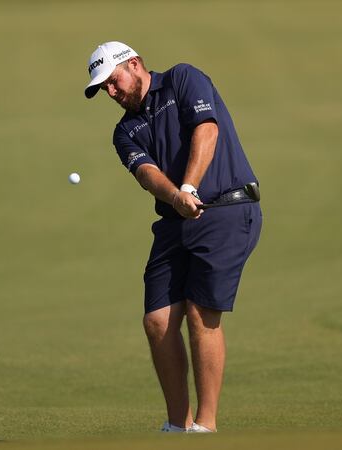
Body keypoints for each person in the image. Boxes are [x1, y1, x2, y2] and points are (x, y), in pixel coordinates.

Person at [84, 42, 262, 432]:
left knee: (200, 313)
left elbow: (207, 131)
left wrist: (190, 187)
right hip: (175, 219)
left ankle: (206, 425)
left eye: (113, 82)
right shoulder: (124, 131)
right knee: (157, 320)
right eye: (104, 90)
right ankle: (178, 426)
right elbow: (146, 173)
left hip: (225, 210)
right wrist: (176, 196)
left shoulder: (183, 79)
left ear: (134, 65)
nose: (112, 94)